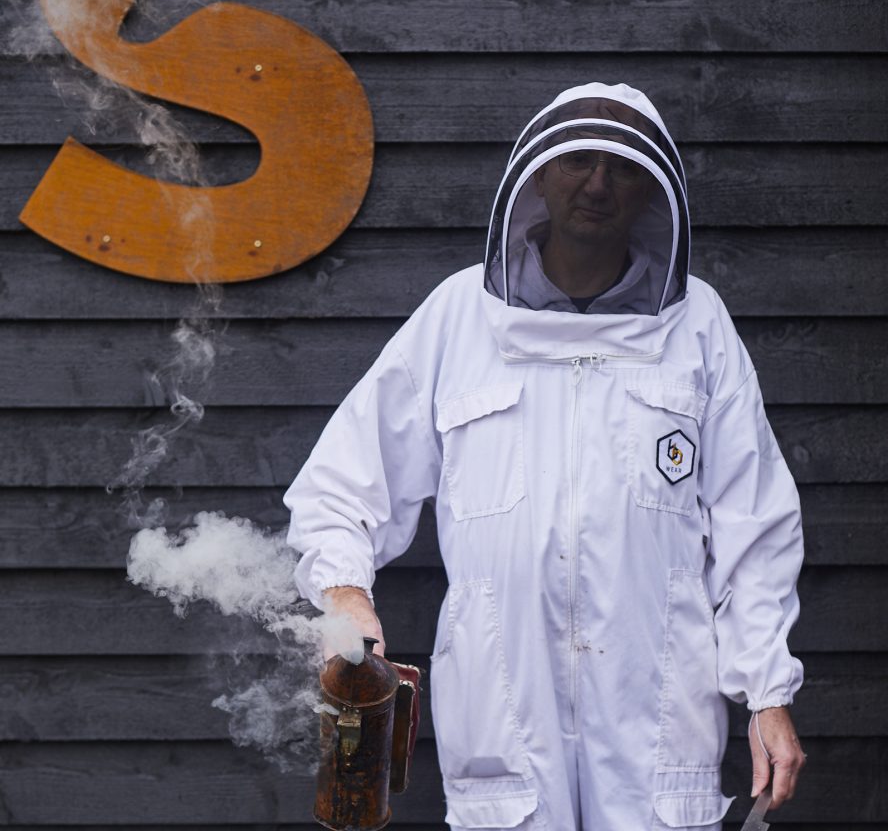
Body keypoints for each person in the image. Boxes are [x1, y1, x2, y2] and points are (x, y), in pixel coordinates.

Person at [284, 82, 806, 831]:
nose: (597, 184)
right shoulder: (460, 318)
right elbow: (341, 484)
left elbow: (753, 526)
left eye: (622, 168)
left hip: (657, 720)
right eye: (579, 162)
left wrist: (767, 694)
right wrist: (345, 595)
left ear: (651, 193)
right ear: (537, 176)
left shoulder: (698, 328)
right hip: (503, 718)